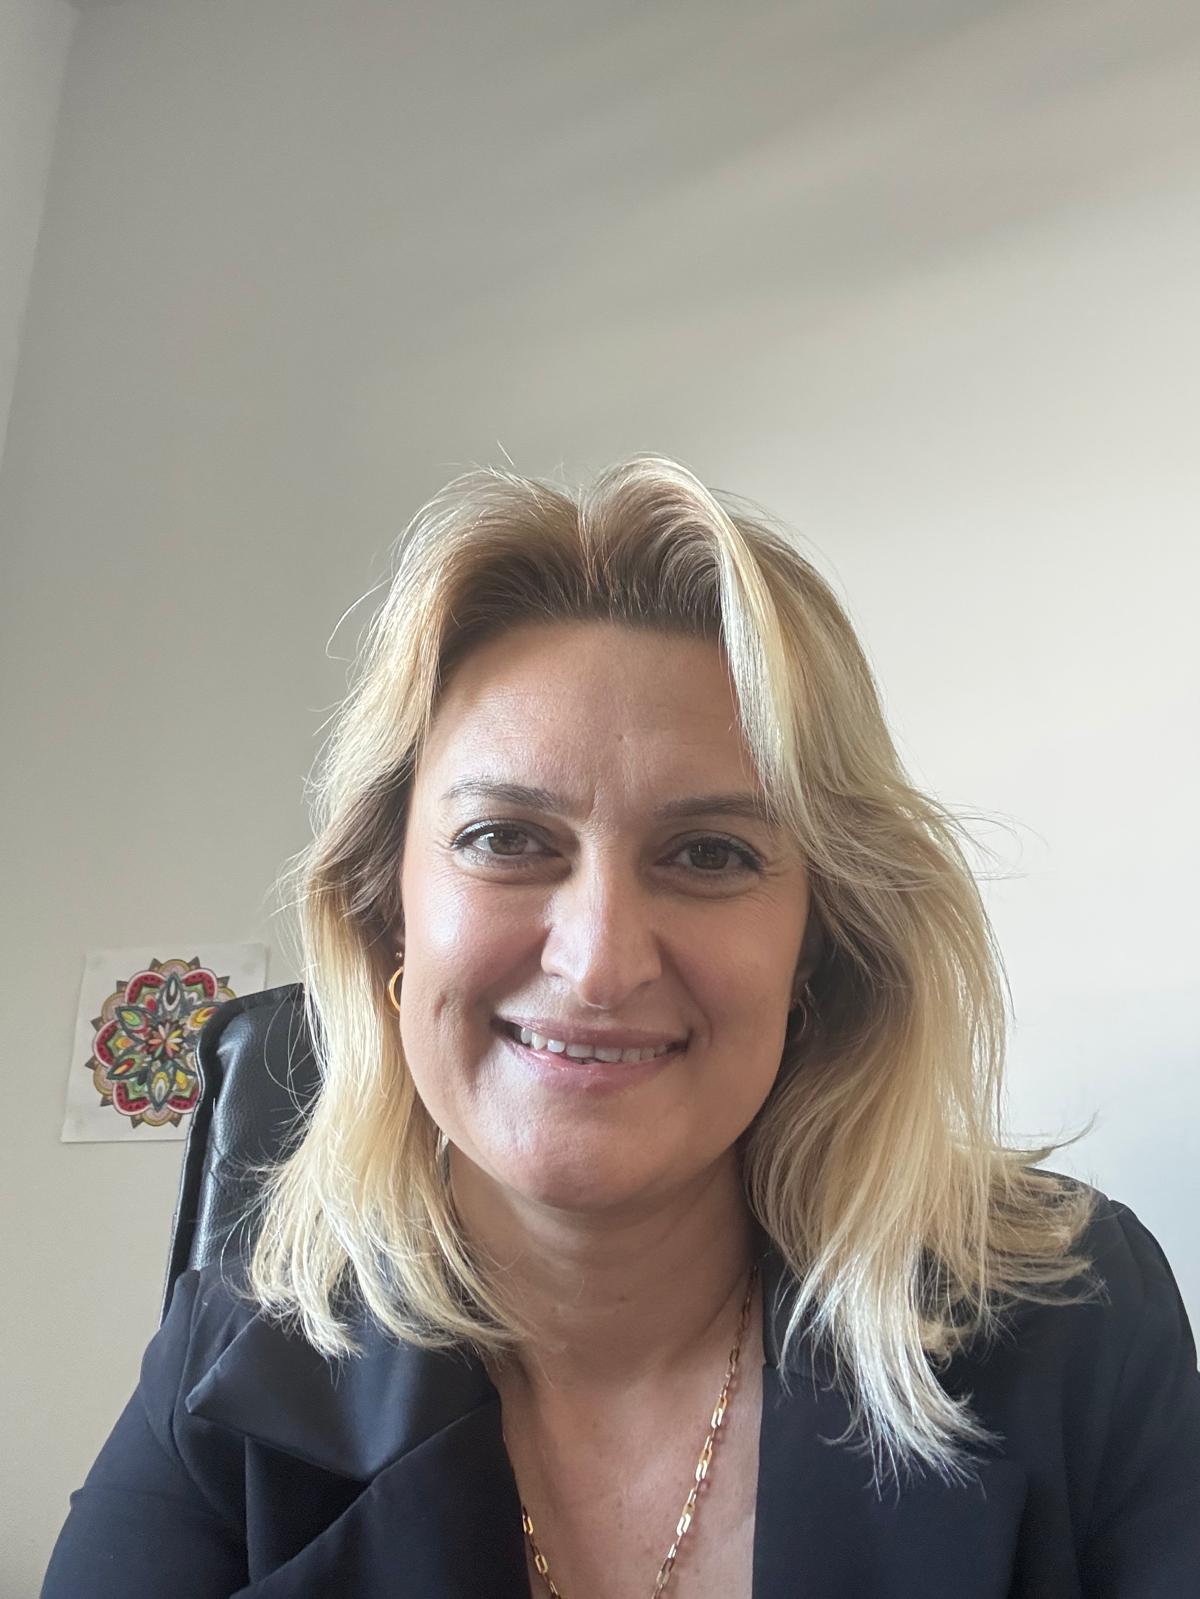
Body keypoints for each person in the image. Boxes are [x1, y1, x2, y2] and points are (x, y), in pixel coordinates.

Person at [43, 454, 1200, 1598]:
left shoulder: (1080, 1321)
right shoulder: (220, 1375)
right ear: (388, 913)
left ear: (816, 945)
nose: (597, 965)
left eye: (711, 854)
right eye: (505, 839)